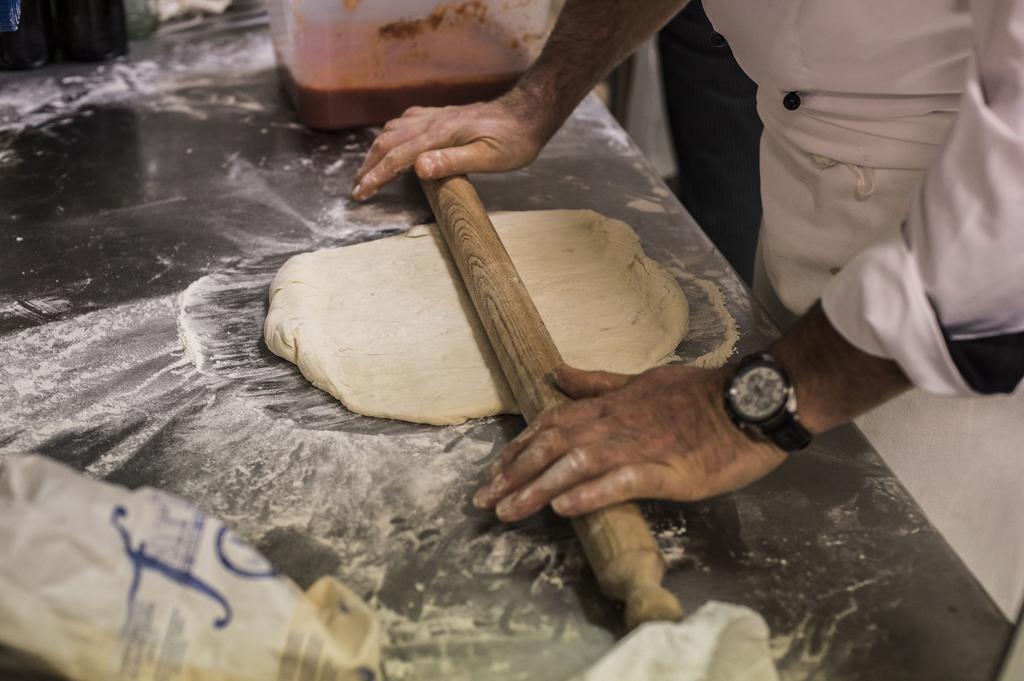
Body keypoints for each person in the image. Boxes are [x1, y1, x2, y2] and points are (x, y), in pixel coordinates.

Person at [351, 0, 1024, 616]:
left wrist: (749, 405)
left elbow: (1004, 229)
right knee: (771, 562)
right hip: (800, 176)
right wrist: (540, 96)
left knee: (911, 601)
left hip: (965, 295)